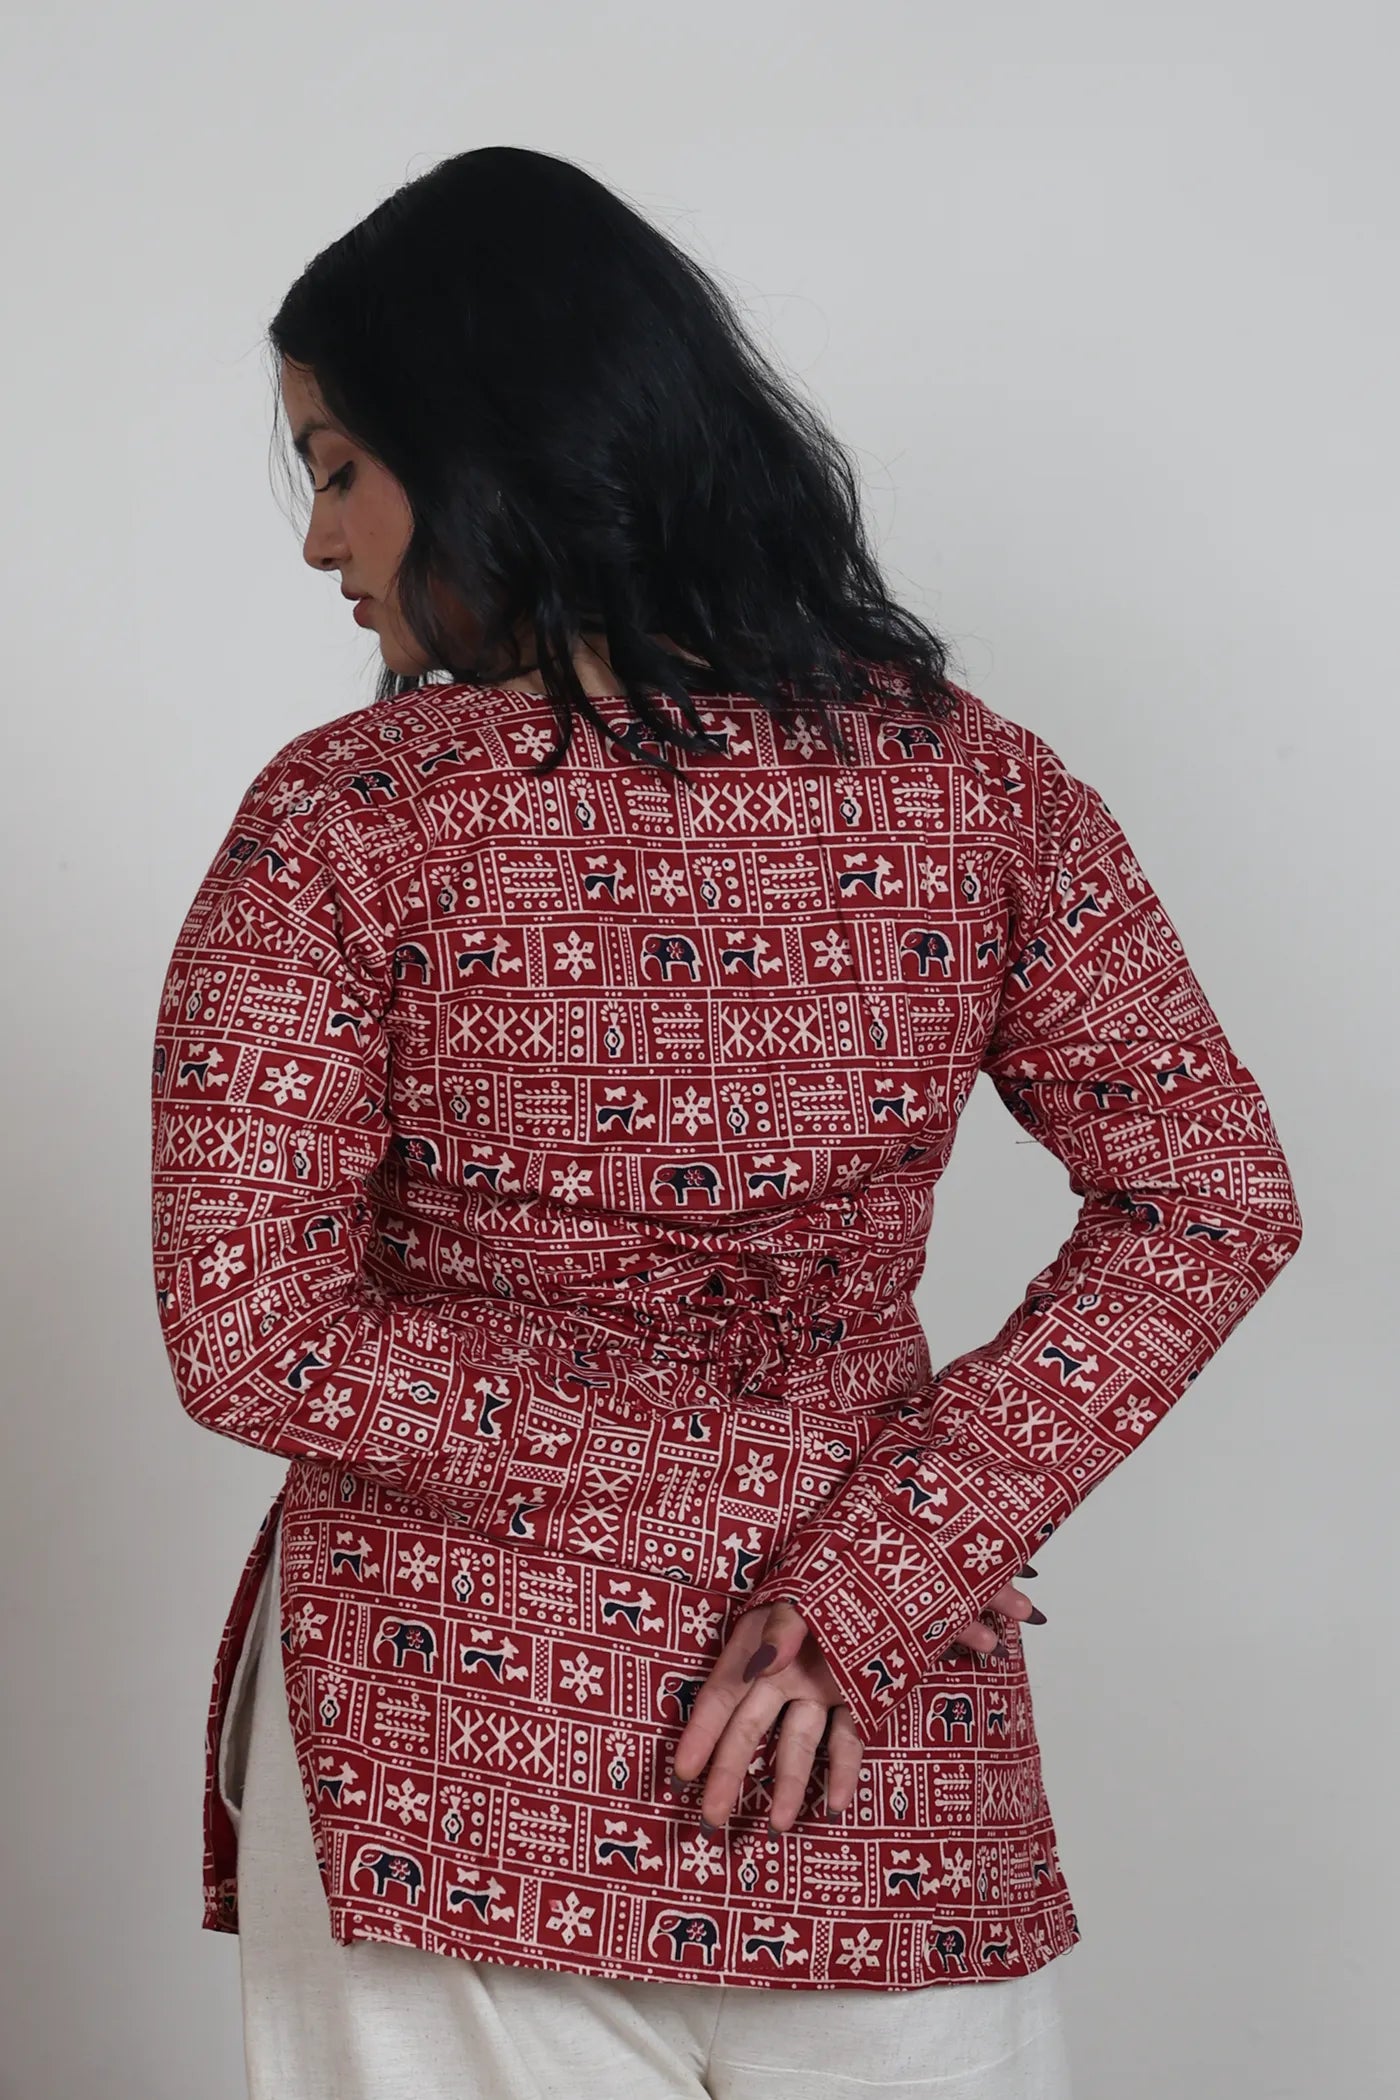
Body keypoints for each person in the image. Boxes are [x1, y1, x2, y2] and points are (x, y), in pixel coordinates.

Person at [150, 146, 1303, 2100]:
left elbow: (255, 1327)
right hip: (850, 1703)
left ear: (489, 446)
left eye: (340, 463)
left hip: (452, 1742)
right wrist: (869, 1553)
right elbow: (1207, 1201)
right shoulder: (977, 789)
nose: (316, 540)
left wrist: (726, 1504)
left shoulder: (348, 817)